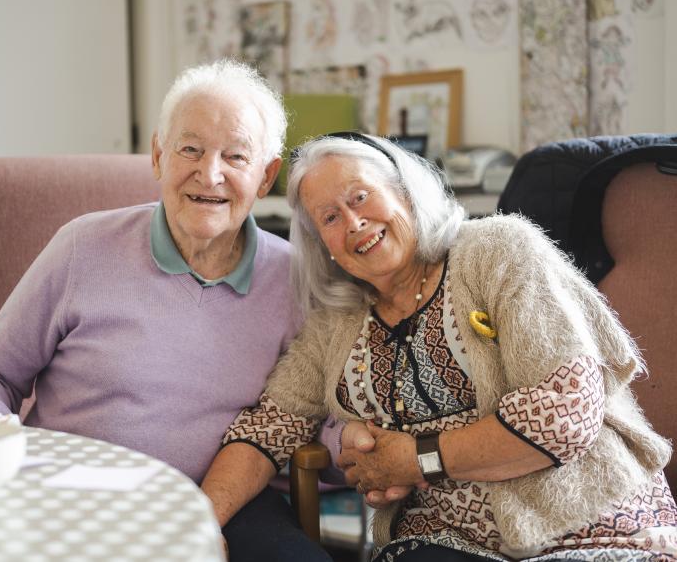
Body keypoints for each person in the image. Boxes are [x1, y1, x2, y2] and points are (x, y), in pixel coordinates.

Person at [201, 131, 677, 561]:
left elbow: (563, 413)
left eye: (361, 196)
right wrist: (200, 524)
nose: (353, 221)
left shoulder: (499, 251)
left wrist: (413, 459)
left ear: (405, 192)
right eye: (329, 216)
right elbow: (268, 429)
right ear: (321, 242)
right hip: (447, 541)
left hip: (589, 528)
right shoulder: (334, 324)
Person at [0, 59, 332, 562]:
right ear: (157, 156)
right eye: (189, 149)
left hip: (225, 495)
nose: (209, 173)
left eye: (235, 156)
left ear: (266, 177)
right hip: (78, 493)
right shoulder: (83, 247)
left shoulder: (297, 279)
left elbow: (315, 412)